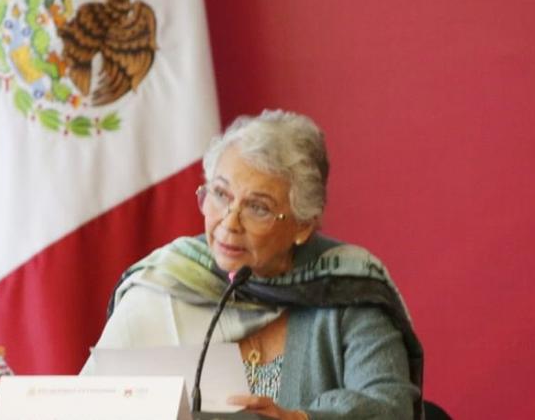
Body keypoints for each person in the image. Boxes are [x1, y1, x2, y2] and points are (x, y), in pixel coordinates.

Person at [82, 110, 424, 419]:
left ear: (302, 225)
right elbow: (85, 406)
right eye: (220, 194)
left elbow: (391, 406)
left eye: (257, 207)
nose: (229, 223)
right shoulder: (166, 281)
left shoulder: (347, 286)